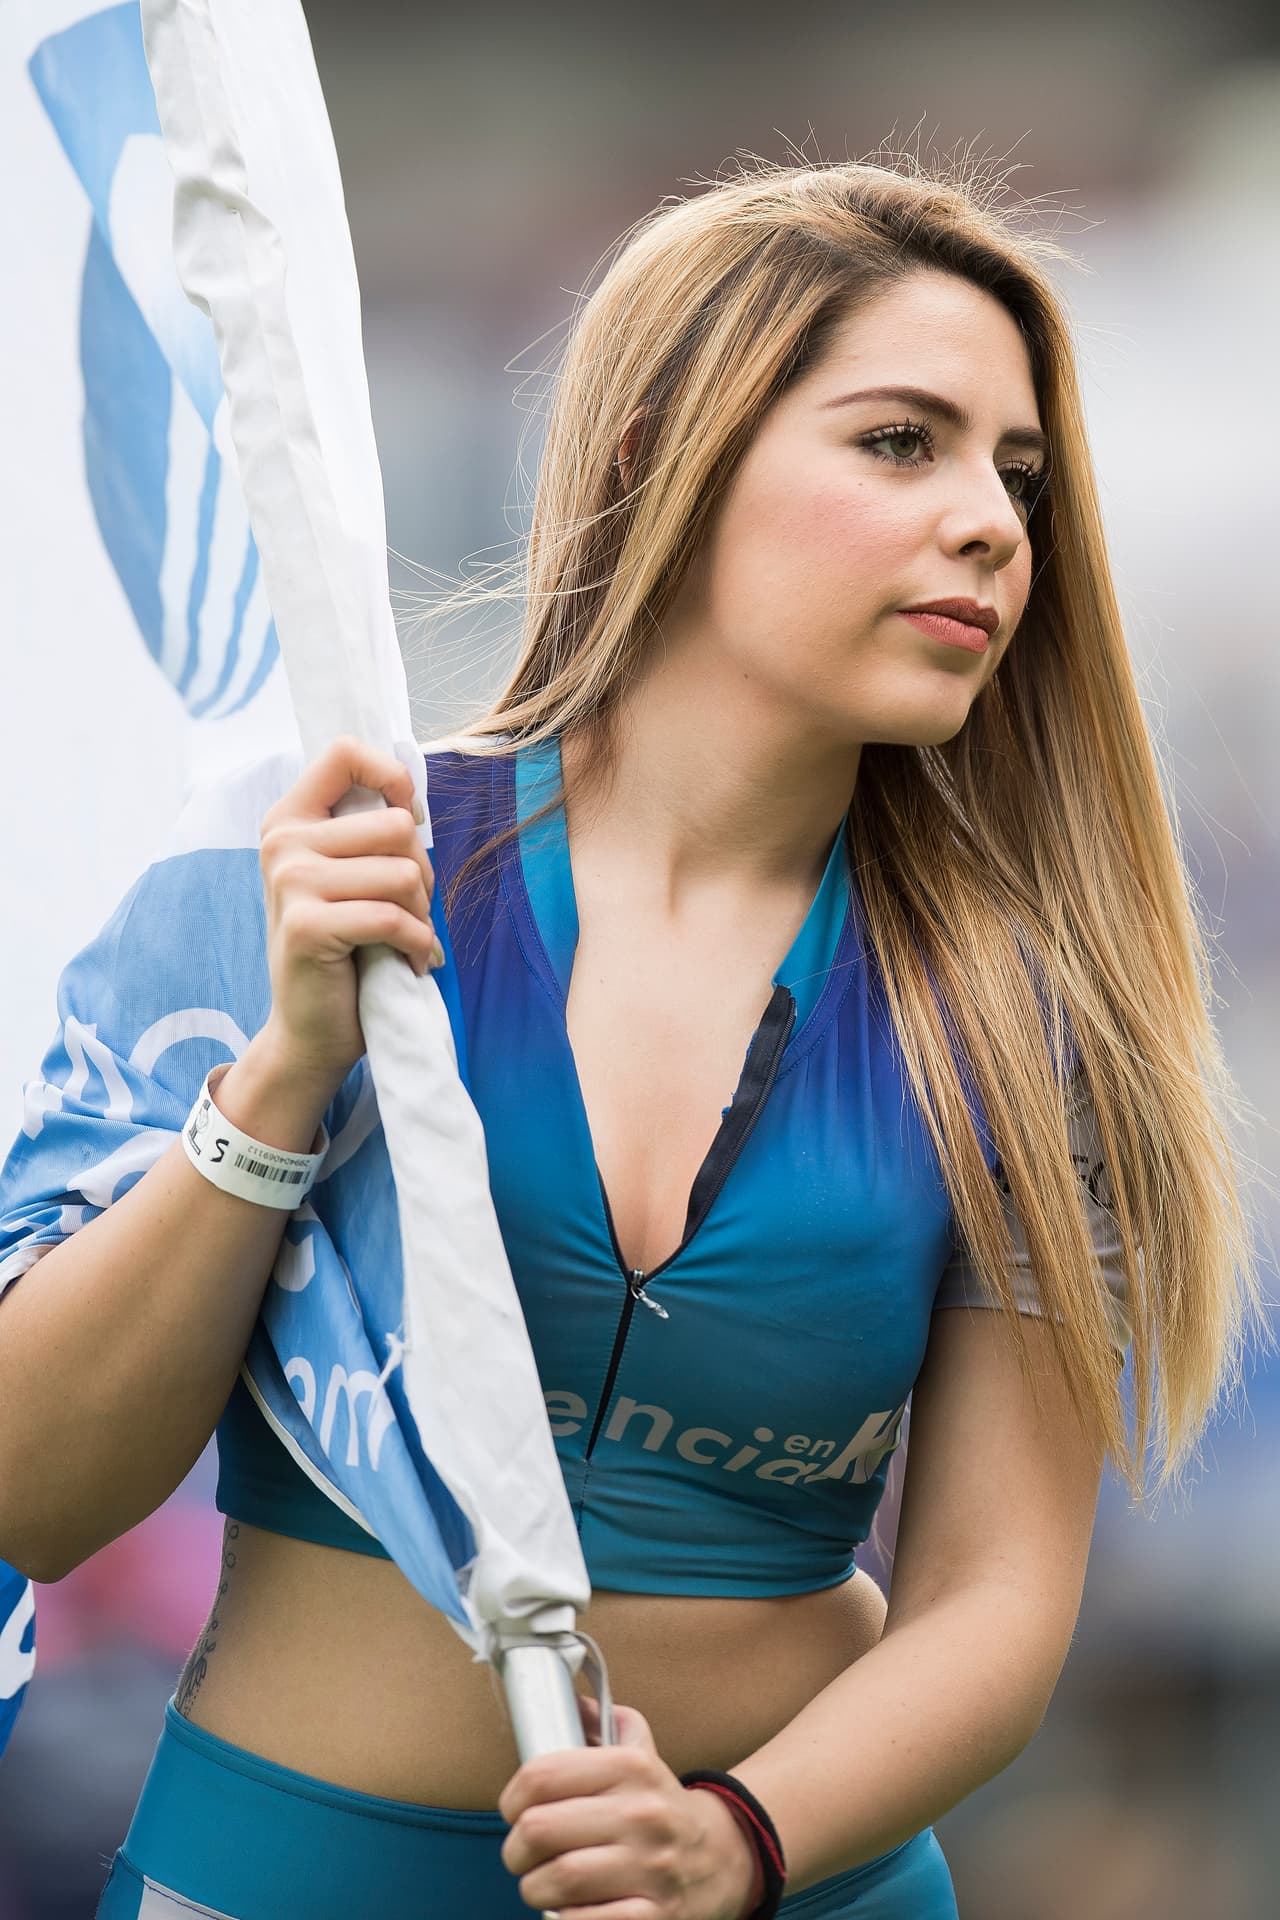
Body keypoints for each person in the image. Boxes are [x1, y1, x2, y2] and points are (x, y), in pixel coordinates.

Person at [0, 154, 1265, 1920]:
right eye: (903, 443)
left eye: (1019, 473)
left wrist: (732, 1840)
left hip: (798, 1885)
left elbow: (996, 1600)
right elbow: (37, 1492)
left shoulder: (1021, 1017)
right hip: (281, 1873)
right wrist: (284, 1070)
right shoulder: (315, 873)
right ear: (654, 449)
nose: (990, 519)